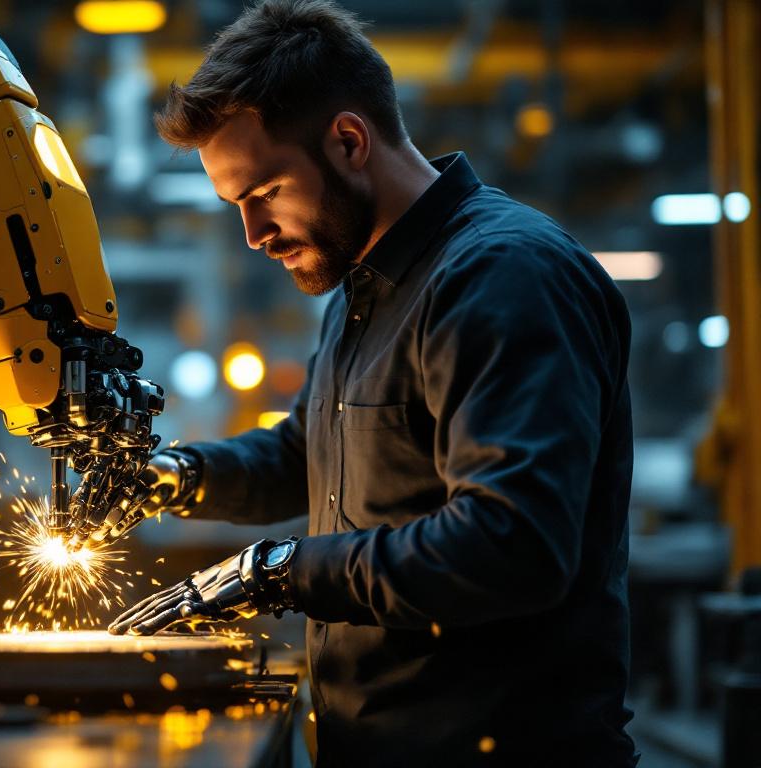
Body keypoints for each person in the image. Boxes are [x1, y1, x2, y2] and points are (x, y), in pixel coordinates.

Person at [91, 1, 638, 765]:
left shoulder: (501, 277)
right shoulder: (364, 286)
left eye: (264, 193)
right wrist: (171, 478)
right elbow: (308, 454)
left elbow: (512, 544)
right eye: (236, 206)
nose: (254, 234)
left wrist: (277, 573)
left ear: (349, 141)